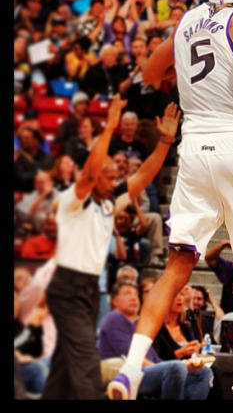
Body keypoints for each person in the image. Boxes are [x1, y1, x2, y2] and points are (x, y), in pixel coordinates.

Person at [108, 0, 233, 401]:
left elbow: (149, 70)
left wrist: (185, 75)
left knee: (177, 264)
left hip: (194, 147)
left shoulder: (184, 23)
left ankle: (129, 369)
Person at [41, 94, 180, 399]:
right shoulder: (73, 199)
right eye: (110, 175)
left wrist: (165, 142)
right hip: (67, 287)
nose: (114, 179)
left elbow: (142, 178)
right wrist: (109, 129)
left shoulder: (109, 201)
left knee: (64, 368)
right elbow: (91, 172)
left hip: (90, 288)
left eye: (116, 176)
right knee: (88, 365)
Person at [99, 280, 211, 400]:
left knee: (203, 372)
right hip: (129, 373)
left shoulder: (137, 325)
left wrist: (185, 366)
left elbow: (156, 360)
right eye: (127, 294)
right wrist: (171, 367)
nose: (133, 298)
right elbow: (131, 358)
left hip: (148, 370)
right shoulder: (115, 319)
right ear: (114, 301)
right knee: (176, 368)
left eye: (135, 295)